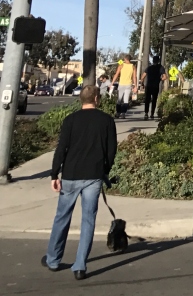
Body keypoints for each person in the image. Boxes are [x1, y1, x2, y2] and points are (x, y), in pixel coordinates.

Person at [43, 85, 118, 280]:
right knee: (88, 220)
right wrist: (105, 170)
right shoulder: (107, 121)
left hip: (70, 175)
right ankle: (80, 265)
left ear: (82, 99)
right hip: (93, 176)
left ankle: (53, 259)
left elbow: (61, 149)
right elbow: (111, 151)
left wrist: (54, 174)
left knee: (62, 217)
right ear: (96, 99)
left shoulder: (70, 120)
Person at [139, 56, 167, 121]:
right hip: (155, 86)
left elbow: (143, 76)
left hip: (148, 86)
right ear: (158, 61)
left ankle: (146, 113)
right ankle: (152, 114)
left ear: (153, 61)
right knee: (154, 100)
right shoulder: (161, 68)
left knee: (147, 100)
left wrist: (142, 84)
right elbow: (165, 77)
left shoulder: (149, 68)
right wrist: (159, 79)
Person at [115, 55, 136, 119]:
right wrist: (135, 86)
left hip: (121, 84)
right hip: (128, 85)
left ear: (125, 59)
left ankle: (118, 113)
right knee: (126, 100)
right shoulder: (133, 66)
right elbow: (134, 77)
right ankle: (123, 113)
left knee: (119, 100)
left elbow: (116, 74)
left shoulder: (121, 65)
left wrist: (112, 82)